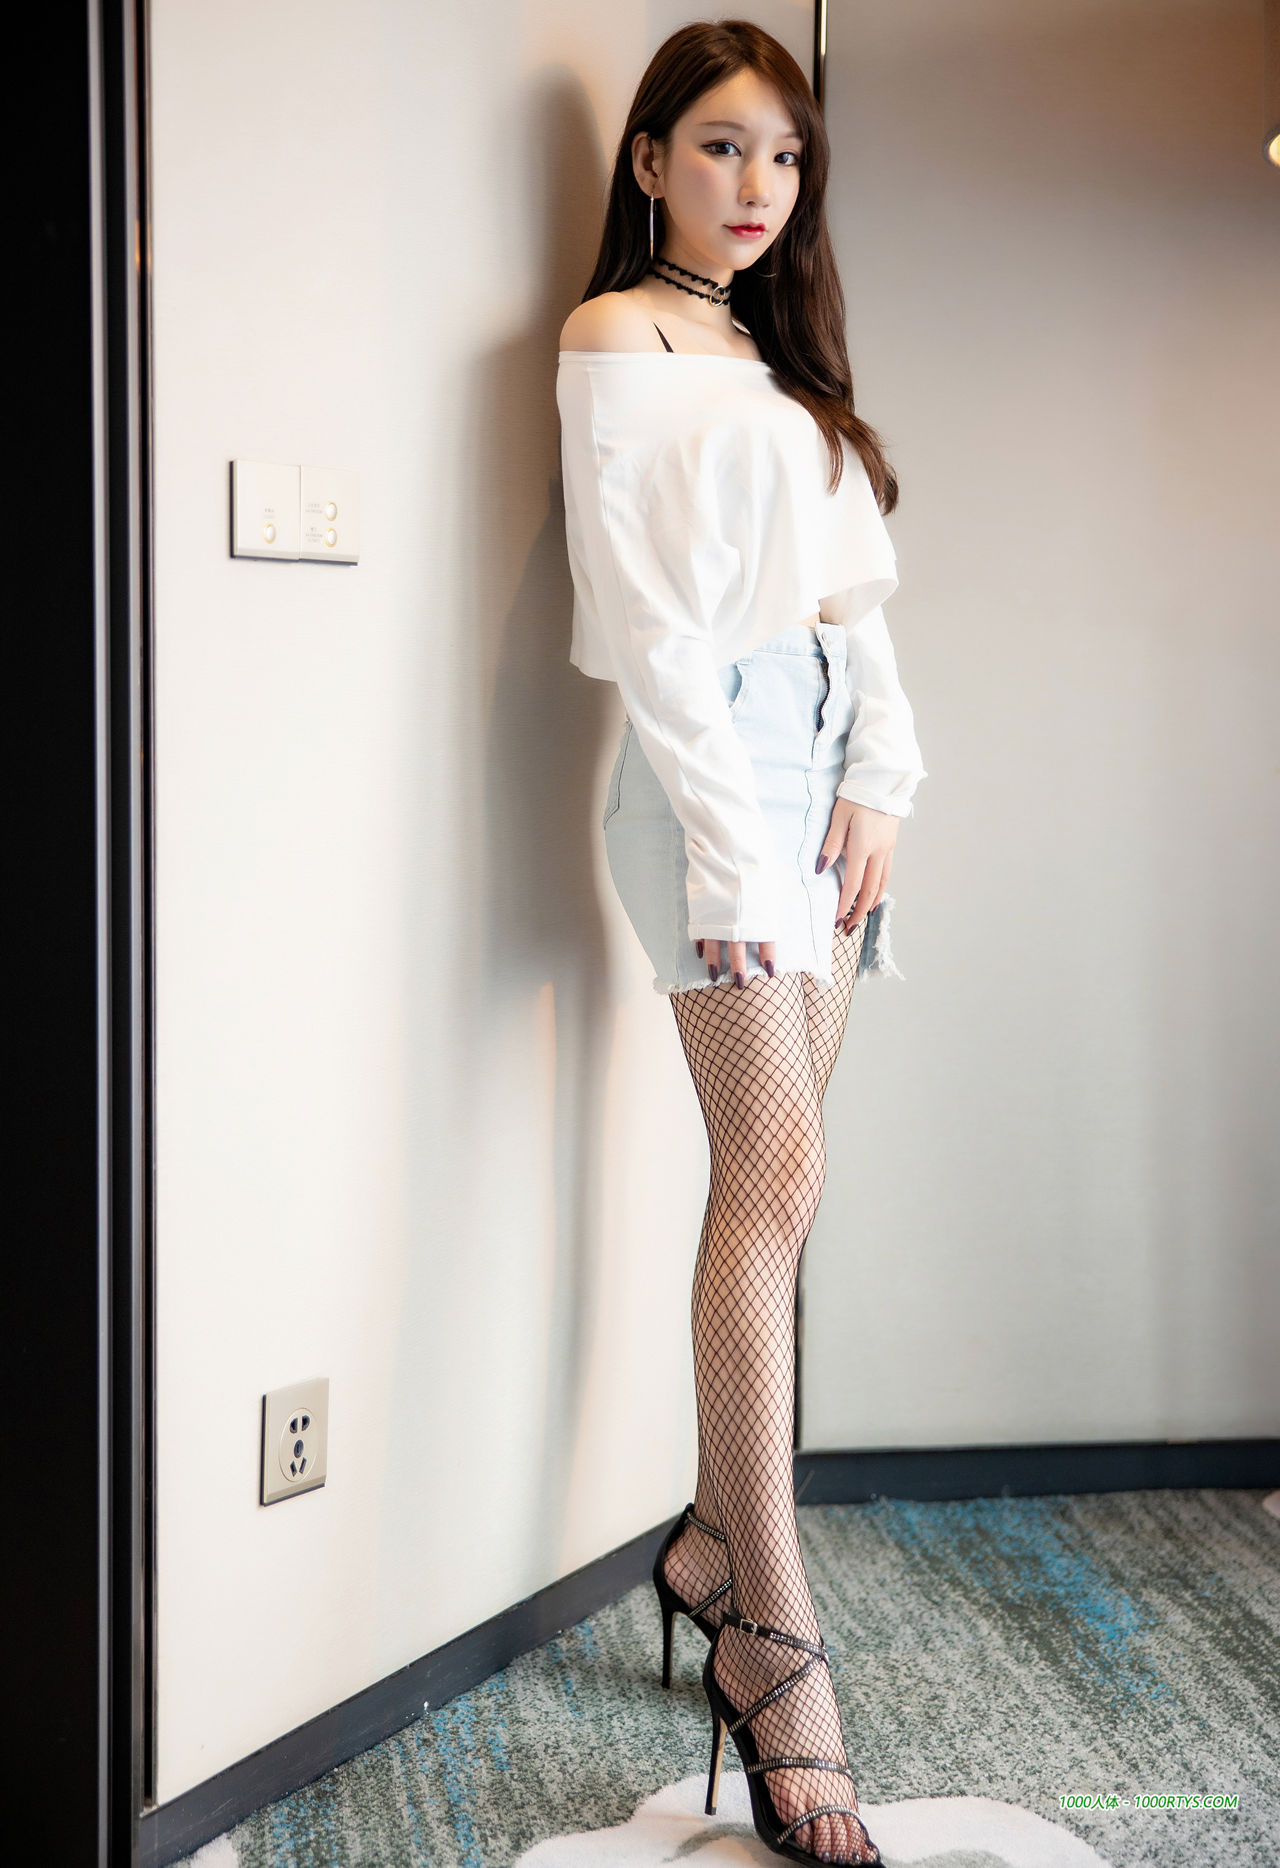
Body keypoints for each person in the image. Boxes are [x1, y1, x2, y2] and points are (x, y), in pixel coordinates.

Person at [556, 20, 927, 1867]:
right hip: (711, 772)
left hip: (828, 769)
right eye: (719, 146)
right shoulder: (616, 338)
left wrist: (890, 776)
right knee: (767, 1175)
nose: (757, 185)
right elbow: (649, 627)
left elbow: (854, 601)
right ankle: (772, 1640)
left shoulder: (781, 361)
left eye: (784, 155)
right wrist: (734, 853)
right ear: (647, 161)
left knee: (794, 1179)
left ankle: (711, 1545)